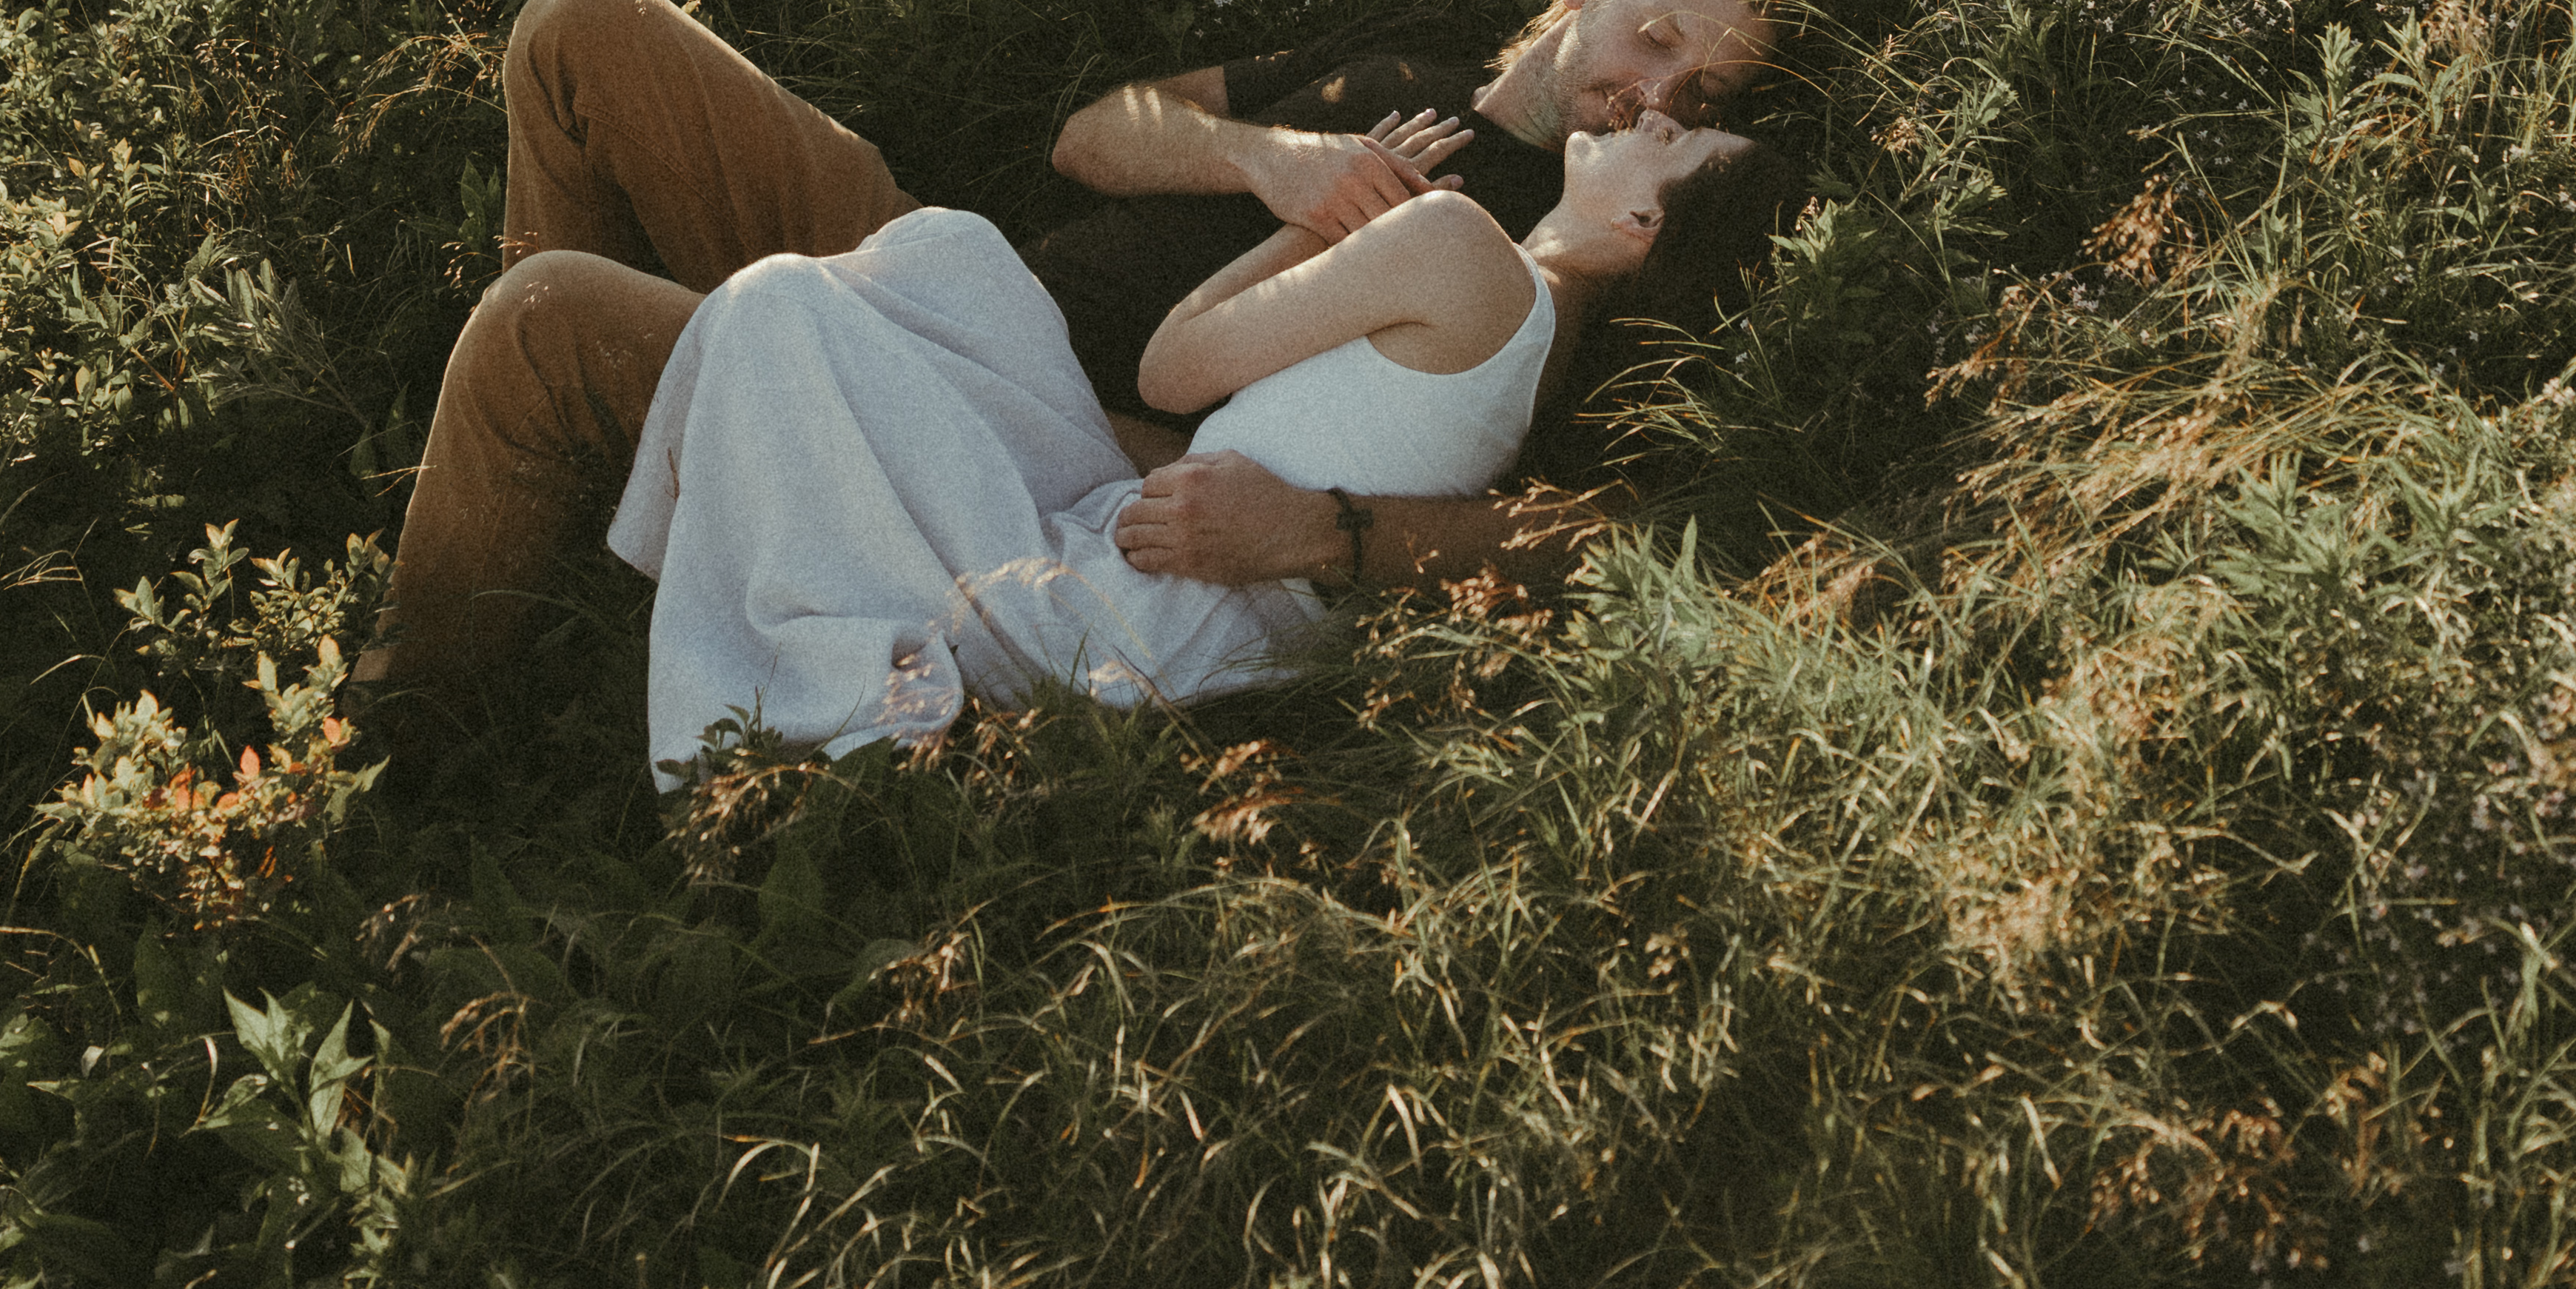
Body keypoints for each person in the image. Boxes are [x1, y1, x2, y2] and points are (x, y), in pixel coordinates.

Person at [350, 0, 1816, 762]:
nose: (1654, 97)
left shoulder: (1578, 241)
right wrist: (1262, 155)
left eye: (1701, 100)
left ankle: (409, 724)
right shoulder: (1397, 57)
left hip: (1034, 435)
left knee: (545, 320)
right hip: (948, 269)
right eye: (1656, 35)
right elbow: (1090, 133)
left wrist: (1324, 530)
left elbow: (1615, 530)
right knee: (579, 23)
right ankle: (603, 509)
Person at [608, 114, 1811, 775]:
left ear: (1648, 220)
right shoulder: (1533, 355)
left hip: (1141, 606)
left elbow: (1172, 366)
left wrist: (1324, 219)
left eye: (1680, 140)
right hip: (1168, 582)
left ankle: (741, 711)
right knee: (945, 259)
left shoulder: (1461, 250)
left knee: (776, 306)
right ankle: (721, 605)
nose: (1654, 116)